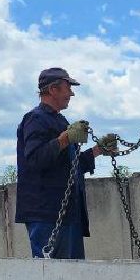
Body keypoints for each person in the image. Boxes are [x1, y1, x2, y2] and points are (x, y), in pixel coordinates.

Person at [15, 67, 119, 260]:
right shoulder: (35, 119)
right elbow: (35, 160)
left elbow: (70, 167)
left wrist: (98, 150)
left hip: (66, 213)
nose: (71, 93)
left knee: (73, 277)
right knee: (53, 277)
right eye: (67, 88)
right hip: (47, 213)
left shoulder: (60, 121)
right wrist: (64, 139)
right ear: (53, 90)